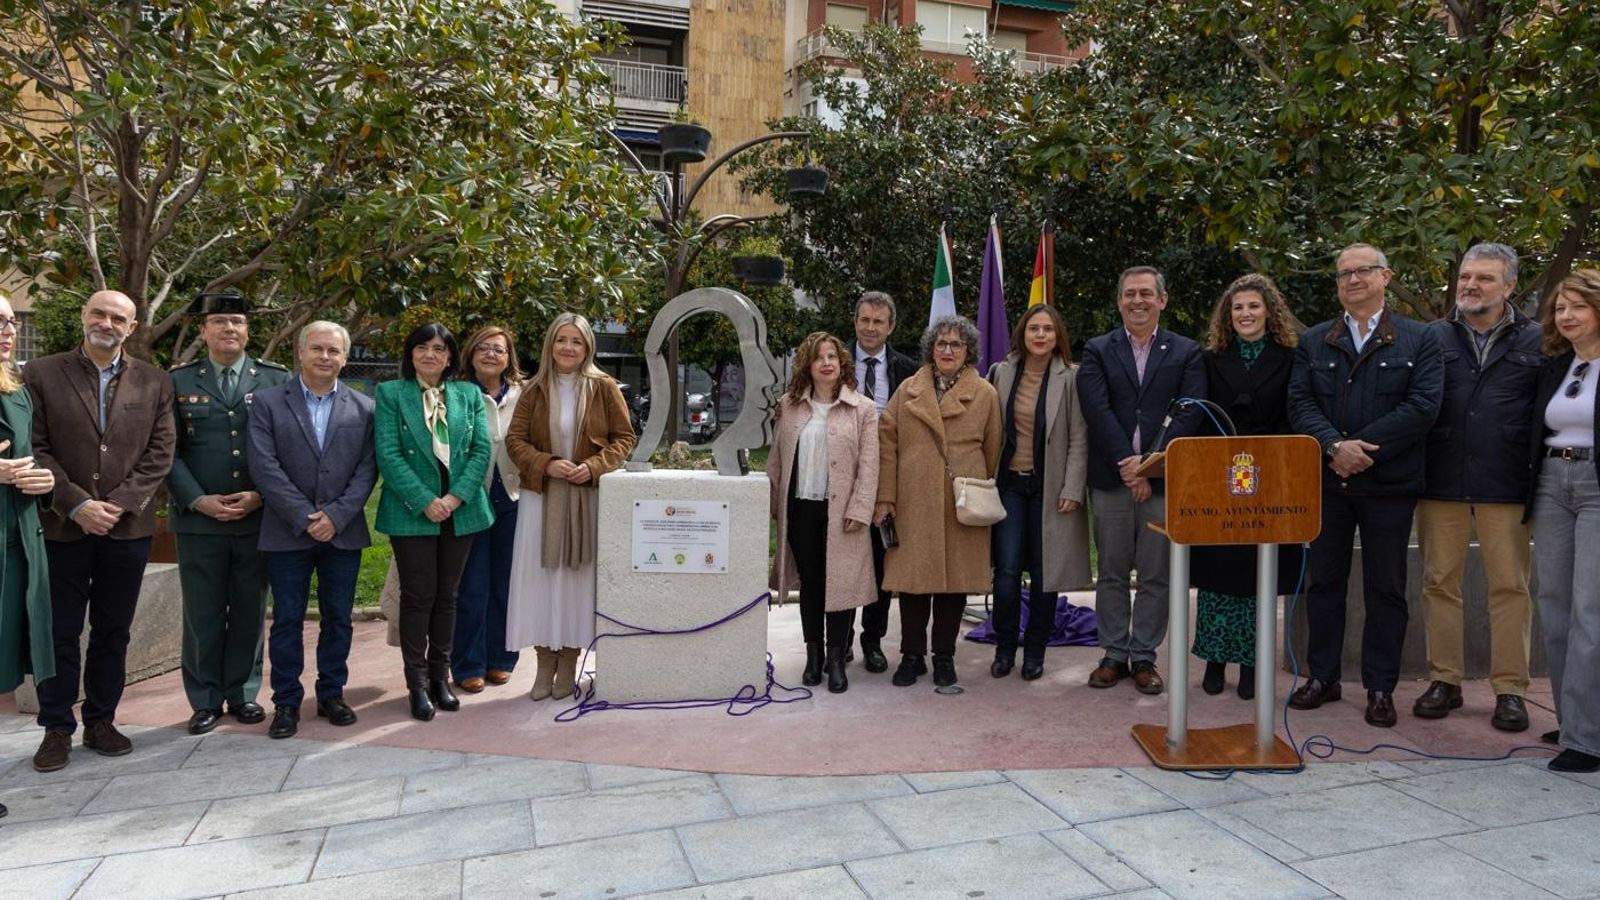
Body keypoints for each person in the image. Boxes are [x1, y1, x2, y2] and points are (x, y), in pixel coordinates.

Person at [1288, 243, 1443, 728]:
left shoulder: (1420, 339)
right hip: (1328, 484)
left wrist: (1359, 450)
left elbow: (1423, 407)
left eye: (1363, 271)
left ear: (1386, 277)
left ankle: (1380, 687)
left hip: (1390, 484)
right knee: (1324, 583)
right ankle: (1323, 677)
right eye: (1343, 274)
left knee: (1386, 588)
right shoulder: (1314, 340)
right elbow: (1300, 404)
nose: (1352, 280)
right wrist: (1335, 448)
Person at [25, 290, 175, 773]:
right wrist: (77, 504)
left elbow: (159, 453)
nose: (106, 323)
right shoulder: (41, 374)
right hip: (61, 528)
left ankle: (101, 720)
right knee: (60, 631)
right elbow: (37, 446)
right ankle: (55, 728)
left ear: (131, 328)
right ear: (83, 317)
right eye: (99, 313)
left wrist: (119, 504)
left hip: (125, 530)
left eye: (118, 318)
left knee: (113, 631)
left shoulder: (155, 382)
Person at [1415, 243, 1542, 731]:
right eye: (1466, 276)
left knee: (1509, 587)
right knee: (1438, 583)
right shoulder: (1433, 337)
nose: (1470, 285)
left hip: (1507, 482)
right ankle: (1444, 680)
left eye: (1484, 278)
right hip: (1441, 478)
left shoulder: (1538, 339)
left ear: (1509, 286)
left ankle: (1510, 690)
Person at [1077, 266, 1206, 695]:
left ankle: (1145, 656)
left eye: (1146, 294)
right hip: (1112, 480)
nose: (1138, 301)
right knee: (1111, 571)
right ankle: (1114, 654)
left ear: (1162, 300)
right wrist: (1128, 466)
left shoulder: (1187, 351)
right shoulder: (1097, 349)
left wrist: (1150, 466)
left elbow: (1189, 411)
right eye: (1130, 293)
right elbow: (1096, 409)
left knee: (1156, 574)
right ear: (1119, 301)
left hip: (1165, 482)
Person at [167, 293, 291, 735]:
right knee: (201, 611)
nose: (229, 329)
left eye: (237, 321)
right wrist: (197, 499)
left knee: (249, 608)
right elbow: (167, 451)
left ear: (248, 330)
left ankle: (242, 693)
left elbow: (286, 447)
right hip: (198, 520)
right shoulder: (178, 382)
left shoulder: (276, 380)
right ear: (204, 331)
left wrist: (260, 494)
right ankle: (204, 698)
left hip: (256, 516)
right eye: (219, 321)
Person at [247, 321, 377, 739]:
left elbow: (367, 470)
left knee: (338, 618)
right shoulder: (267, 403)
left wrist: (336, 515)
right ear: (299, 352)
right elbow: (264, 467)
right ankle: (285, 701)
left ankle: (331, 694)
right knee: (287, 619)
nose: (325, 357)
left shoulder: (364, 407)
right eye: (317, 349)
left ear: (344, 357)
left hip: (343, 531)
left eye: (333, 351)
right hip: (288, 531)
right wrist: (306, 516)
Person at [505, 313, 636, 701]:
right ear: (551, 344)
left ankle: (569, 662)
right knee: (541, 579)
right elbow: (515, 441)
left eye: (576, 341)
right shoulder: (534, 388)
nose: (568, 347)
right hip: (540, 497)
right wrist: (545, 462)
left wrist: (592, 467)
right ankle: (545, 661)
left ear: (587, 348)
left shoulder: (603, 386)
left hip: (584, 496)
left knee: (576, 580)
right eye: (561, 339)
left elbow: (623, 438)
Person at [1189, 274, 1303, 699]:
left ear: (1269, 310)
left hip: (1271, 477)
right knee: (1219, 578)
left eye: (1253, 306)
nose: (1245, 314)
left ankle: (1253, 665)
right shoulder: (1210, 358)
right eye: (1237, 308)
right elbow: (1202, 415)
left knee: (1260, 577)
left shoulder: (1292, 357)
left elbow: (1296, 410)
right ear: (1227, 314)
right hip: (1222, 478)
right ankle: (1215, 660)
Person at [873, 314, 1001, 689]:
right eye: (941, 343)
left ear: (968, 351)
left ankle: (944, 656)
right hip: (914, 501)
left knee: (954, 584)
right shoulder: (908, 390)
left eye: (956, 344)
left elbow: (993, 448)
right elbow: (888, 445)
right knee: (913, 582)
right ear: (931, 348)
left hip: (962, 501)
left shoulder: (986, 394)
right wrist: (886, 497)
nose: (948, 350)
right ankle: (912, 655)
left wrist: (974, 484)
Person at [375, 323, 492, 721]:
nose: (430, 355)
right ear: (410, 354)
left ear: (450, 357)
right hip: (412, 511)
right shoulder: (391, 394)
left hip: (461, 509)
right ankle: (417, 684)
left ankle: (442, 678)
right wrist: (426, 501)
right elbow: (388, 454)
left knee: (448, 596)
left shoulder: (469, 393)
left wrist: (455, 496)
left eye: (439, 349)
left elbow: (480, 450)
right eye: (422, 347)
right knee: (418, 596)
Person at [768, 331, 879, 693]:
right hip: (802, 508)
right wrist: (774, 506)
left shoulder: (862, 409)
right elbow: (776, 461)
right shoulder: (790, 405)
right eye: (819, 358)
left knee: (842, 585)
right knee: (813, 585)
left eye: (833, 356)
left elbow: (870, 465)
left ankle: (836, 660)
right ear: (808, 365)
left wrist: (861, 509)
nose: (827, 363)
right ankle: (812, 656)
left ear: (842, 363)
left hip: (843, 513)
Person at [986, 304, 1090, 681]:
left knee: (1047, 575)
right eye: (1034, 329)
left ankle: (1035, 652)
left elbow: (1080, 438)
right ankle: (1003, 648)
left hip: (1051, 488)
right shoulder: (1002, 372)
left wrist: (1073, 487)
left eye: (1047, 329)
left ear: (1057, 335)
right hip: (1010, 486)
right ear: (1023, 334)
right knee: (1008, 571)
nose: (1041, 335)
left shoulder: (1072, 377)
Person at [1528, 268, 1600, 773]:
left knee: (1590, 610)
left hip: (1598, 484)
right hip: (1553, 481)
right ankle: (1572, 716)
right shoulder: (1558, 365)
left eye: (1577, 306)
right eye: (1559, 308)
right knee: (1552, 605)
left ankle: (1587, 738)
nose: (1567, 316)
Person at [0, 290, 56, 815]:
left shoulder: (16, 389)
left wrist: (39, 478)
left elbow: (28, 455)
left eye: (12, 320)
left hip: (17, 539)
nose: (8, 329)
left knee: (6, 657)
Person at [450, 326, 526, 693]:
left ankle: (501, 658)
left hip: (512, 497)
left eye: (499, 349)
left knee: (505, 584)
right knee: (472, 585)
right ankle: (468, 663)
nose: (491, 354)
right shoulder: (455, 393)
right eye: (483, 347)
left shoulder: (524, 395)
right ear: (470, 353)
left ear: (509, 357)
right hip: (470, 499)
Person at [848, 291, 918, 674]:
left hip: (887, 476)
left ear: (891, 326)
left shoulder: (908, 370)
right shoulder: (834, 361)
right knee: (841, 560)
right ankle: (838, 640)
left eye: (878, 321)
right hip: (841, 476)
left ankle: (872, 641)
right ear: (855, 322)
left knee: (880, 562)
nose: (870, 327)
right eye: (864, 319)